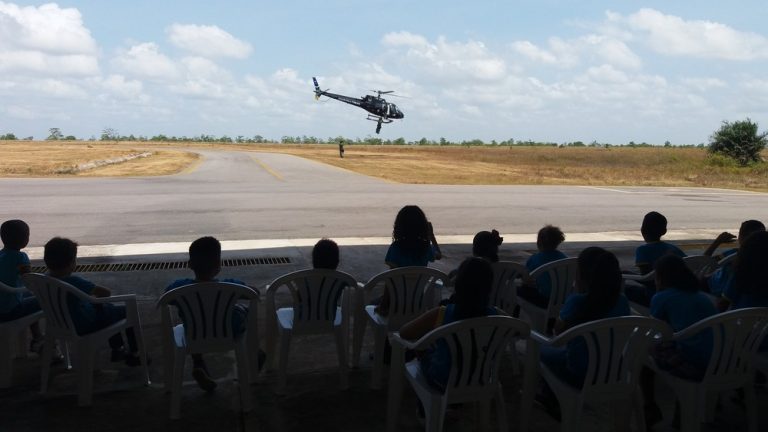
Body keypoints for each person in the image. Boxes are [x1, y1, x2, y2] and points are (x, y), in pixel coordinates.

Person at [537, 247, 631, 420]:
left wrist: (575, 293)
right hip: (614, 371)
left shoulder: (577, 301)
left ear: (582, 275)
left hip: (578, 372)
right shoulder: (622, 301)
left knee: (538, 347)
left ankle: (548, 395)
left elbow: (557, 332)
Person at [165, 236, 261, 392]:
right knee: (243, 312)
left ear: (190, 265)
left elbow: (166, 298)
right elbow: (253, 293)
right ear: (218, 266)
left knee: (194, 320)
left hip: (193, 334)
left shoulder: (179, 287)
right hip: (226, 333)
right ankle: (255, 352)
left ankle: (198, 363)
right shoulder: (230, 286)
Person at [400, 257, 499, 392]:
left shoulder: (442, 313)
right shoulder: (495, 315)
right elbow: (520, 331)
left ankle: (425, 408)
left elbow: (405, 332)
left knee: (423, 351)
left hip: (443, 380)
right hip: (481, 378)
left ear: (458, 284)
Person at [643, 254, 718, 426]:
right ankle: (683, 409)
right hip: (719, 359)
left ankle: (649, 405)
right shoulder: (700, 296)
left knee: (641, 352)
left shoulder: (662, 297)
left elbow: (654, 329)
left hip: (695, 362)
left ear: (659, 277)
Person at [44, 237, 141, 366]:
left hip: (61, 323)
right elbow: (105, 293)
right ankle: (135, 353)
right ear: (71, 263)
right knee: (126, 310)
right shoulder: (74, 281)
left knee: (108, 309)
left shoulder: (44, 279)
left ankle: (118, 348)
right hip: (85, 324)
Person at [377, 205, 442, 315]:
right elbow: (439, 255)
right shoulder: (426, 248)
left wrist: (383, 305)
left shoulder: (395, 248)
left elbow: (391, 280)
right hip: (418, 303)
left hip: (396, 303)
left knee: (373, 302)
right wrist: (431, 236)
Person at [0, 219, 44, 351]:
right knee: (44, 300)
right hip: (8, 311)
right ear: (25, 240)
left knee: (28, 295)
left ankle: (37, 337)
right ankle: (41, 341)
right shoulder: (21, 257)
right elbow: (29, 281)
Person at [704, 220, 765, 296]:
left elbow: (703, 262)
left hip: (716, 293)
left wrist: (717, 242)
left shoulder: (733, 257)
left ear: (740, 237)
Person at [517, 225, 567, 308]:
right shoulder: (564, 258)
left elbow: (526, 278)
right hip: (562, 299)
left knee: (517, 290)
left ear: (539, 242)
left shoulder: (534, 259)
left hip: (543, 300)